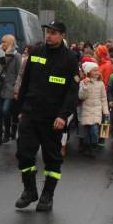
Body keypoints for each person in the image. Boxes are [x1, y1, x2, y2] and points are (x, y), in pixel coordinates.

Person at [13, 21, 80, 212]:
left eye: (53, 33)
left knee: (52, 159)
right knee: (24, 153)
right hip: (30, 113)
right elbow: (25, 83)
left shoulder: (70, 59)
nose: (49, 36)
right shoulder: (36, 53)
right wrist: (20, 109)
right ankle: (29, 191)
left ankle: (47, 196)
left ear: (62, 36)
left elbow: (71, 92)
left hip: (53, 118)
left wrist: (63, 115)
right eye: (47, 32)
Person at [77, 61, 110, 156]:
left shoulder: (101, 84)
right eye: (94, 70)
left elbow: (103, 98)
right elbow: (81, 96)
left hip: (97, 110)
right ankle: (88, 147)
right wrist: (85, 86)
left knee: (94, 129)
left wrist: (106, 111)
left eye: (97, 70)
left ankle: (94, 144)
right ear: (88, 72)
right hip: (86, 110)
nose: (97, 72)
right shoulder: (83, 82)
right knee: (87, 131)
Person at [0, 35, 22, 145]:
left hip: (11, 88)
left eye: (4, 42)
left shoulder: (17, 56)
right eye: (1, 42)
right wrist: (1, 55)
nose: (2, 44)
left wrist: (17, 88)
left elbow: (19, 73)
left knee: (6, 111)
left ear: (10, 43)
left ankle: (7, 133)